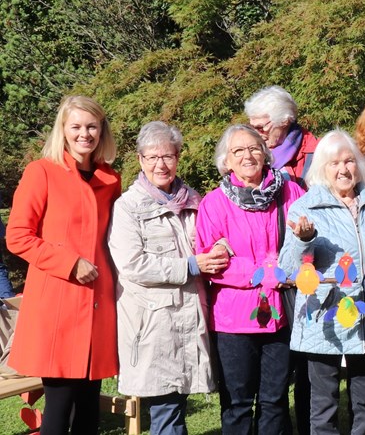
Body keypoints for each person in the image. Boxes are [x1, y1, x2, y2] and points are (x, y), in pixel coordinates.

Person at [5, 95, 121, 434]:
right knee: (59, 407)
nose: (84, 133)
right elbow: (18, 236)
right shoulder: (41, 172)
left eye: (92, 126)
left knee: (88, 410)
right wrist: (70, 263)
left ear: (102, 130)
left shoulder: (110, 180)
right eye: (76, 126)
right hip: (57, 307)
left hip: (99, 306)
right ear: (64, 130)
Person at [107, 121, 222, 434]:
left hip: (191, 319)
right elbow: (133, 265)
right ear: (141, 160)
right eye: (152, 157)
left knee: (176, 408)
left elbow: (213, 242)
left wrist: (221, 247)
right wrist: (190, 266)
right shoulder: (128, 208)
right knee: (166, 413)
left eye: (168, 156)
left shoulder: (195, 203)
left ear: (178, 158)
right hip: (153, 326)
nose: (161, 164)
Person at [278, 130, 365, 435]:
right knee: (323, 403)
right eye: (334, 163)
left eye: (349, 160)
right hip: (323, 315)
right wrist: (304, 241)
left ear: (360, 164)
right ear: (321, 169)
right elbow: (288, 269)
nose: (343, 169)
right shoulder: (306, 207)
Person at [195, 124, 305, 434]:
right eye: (238, 151)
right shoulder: (214, 203)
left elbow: (307, 243)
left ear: (266, 154)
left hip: (280, 316)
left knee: (276, 399)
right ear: (226, 161)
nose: (248, 155)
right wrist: (266, 273)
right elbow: (212, 262)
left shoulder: (290, 192)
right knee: (238, 403)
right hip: (234, 321)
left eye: (254, 148)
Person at [245, 84, 318, 434]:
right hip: (265, 272)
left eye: (261, 127)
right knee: (272, 368)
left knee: (305, 365)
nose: (255, 134)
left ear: (286, 121)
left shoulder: (314, 153)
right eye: (251, 126)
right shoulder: (252, 156)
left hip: (305, 268)